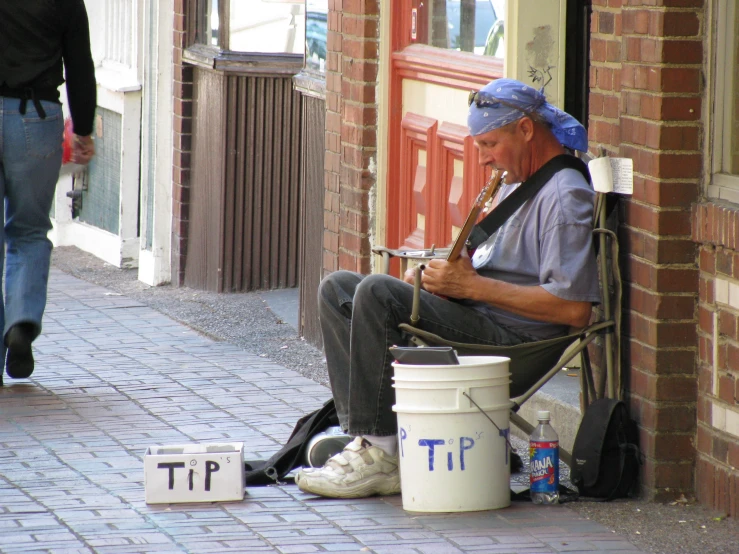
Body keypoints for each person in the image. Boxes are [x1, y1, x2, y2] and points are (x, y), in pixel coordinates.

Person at [295, 78, 601, 499]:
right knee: (338, 289)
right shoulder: (517, 180)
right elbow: (495, 270)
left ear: (527, 130)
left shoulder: (564, 197)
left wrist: (471, 286)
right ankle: (368, 438)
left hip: (517, 344)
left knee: (378, 295)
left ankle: (382, 456)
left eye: (489, 145)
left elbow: (573, 311)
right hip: (481, 319)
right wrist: (447, 284)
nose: (482, 160)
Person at [0, 0, 96, 382]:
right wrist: (84, 128)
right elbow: (79, 65)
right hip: (35, 116)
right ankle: (21, 322)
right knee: (29, 230)